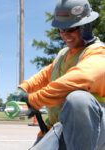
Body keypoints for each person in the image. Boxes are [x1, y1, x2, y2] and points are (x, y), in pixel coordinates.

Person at [7, 0, 105, 149]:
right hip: (62, 128)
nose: (65, 35)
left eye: (71, 29)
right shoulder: (64, 54)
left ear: (87, 26)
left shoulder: (99, 53)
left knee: (78, 100)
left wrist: (33, 100)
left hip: (95, 130)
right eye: (61, 30)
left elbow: (77, 80)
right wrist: (24, 89)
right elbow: (46, 74)